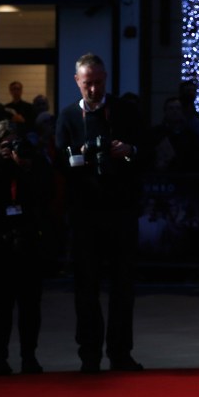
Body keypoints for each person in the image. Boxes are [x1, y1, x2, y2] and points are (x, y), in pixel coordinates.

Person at [55, 52, 146, 373]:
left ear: (106, 79)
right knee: (86, 288)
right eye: (87, 84)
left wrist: (129, 150)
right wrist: (76, 156)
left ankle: (121, 353)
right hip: (85, 215)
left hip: (120, 212)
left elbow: (146, 152)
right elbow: (58, 164)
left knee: (123, 287)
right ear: (77, 82)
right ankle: (89, 355)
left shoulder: (125, 111)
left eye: (98, 83)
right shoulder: (67, 117)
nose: (93, 89)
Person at [0, 127, 52, 376]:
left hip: (30, 243)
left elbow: (42, 196)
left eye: (15, 144)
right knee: (2, 305)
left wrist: (23, 165)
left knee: (30, 305)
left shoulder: (34, 163)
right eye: (5, 145)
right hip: (1, 245)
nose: (11, 149)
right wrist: (2, 163)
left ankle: (29, 356)